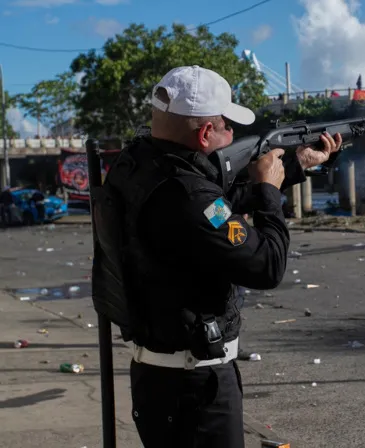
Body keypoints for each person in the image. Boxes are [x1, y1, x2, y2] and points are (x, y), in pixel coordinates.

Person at [100, 65, 342, 447]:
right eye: (228, 125)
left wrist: (295, 165)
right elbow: (267, 265)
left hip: (155, 377)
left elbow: (217, 206)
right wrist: (268, 192)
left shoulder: (138, 165)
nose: (235, 134)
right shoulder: (191, 196)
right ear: (206, 133)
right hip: (196, 389)